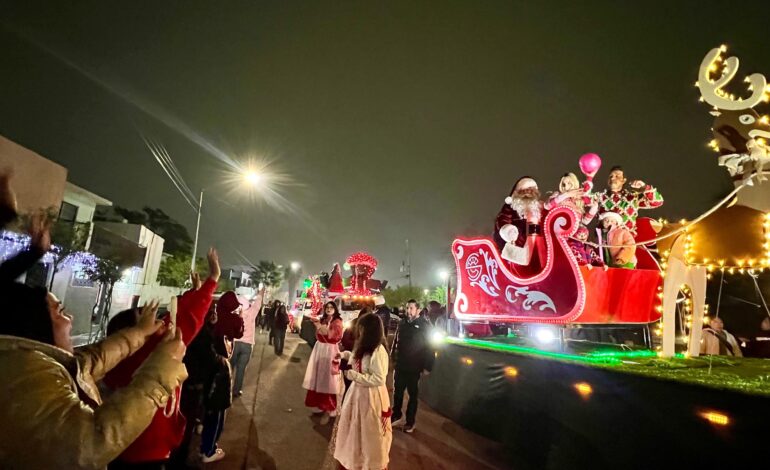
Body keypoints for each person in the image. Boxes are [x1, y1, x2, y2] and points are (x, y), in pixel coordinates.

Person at [103, 249, 220, 469]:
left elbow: (178, 316)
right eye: (152, 320)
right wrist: (212, 280)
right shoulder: (152, 352)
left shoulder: (117, 360)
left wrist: (197, 291)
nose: (161, 323)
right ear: (134, 334)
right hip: (149, 454)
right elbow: (185, 319)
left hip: (123, 450)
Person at [334, 313, 392, 470]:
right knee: (355, 429)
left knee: (369, 433)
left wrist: (354, 376)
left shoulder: (378, 351)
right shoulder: (363, 347)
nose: (359, 330)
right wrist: (344, 355)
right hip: (357, 394)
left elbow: (379, 378)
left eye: (362, 327)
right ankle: (353, 459)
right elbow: (356, 359)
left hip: (371, 397)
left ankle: (368, 463)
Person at [390, 299, 434, 433]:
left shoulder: (425, 325)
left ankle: (410, 422)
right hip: (401, 365)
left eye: (411, 308)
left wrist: (428, 366)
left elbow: (430, 347)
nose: (408, 311)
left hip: (415, 367)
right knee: (397, 392)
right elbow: (396, 341)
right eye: (407, 308)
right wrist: (393, 357)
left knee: (412, 395)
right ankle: (396, 414)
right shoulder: (402, 323)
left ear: (418, 310)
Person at [493, 176, 547, 277]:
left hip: (538, 244)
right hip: (519, 243)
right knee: (519, 270)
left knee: (539, 265)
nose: (527, 193)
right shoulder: (511, 206)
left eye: (530, 190)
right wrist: (508, 231)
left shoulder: (539, 207)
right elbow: (503, 219)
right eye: (524, 191)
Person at [303, 301, 344, 425]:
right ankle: (318, 405)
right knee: (318, 377)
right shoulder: (323, 320)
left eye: (332, 307)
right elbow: (319, 335)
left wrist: (318, 325)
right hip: (320, 350)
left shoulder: (337, 322)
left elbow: (330, 335)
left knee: (329, 379)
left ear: (335, 309)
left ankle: (330, 408)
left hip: (330, 351)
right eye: (327, 307)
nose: (329, 309)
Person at [594, 165, 664, 232]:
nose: (612, 178)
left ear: (624, 181)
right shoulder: (599, 197)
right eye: (610, 176)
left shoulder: (632, 197)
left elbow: (657, 202)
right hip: (604, 242)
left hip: (627, 242)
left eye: (617, 176)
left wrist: (645, 187)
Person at [231, 288, 264, 397]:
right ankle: (237, 390)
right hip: (247, 345)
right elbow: (258, 304)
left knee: (230, 367)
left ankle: (226, 388)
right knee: (241, 369)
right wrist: (261, 293)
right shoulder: (251, 313)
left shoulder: (234, 315)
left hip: (235, 344)